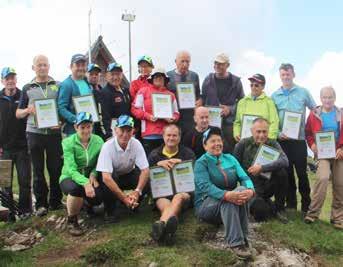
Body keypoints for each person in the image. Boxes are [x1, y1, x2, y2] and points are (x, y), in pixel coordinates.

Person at [194, 127, 255, 259]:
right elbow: (206, 187)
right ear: (205, 145)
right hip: (206, 206)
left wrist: (250, 190)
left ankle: (243, 238)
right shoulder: (201, 163)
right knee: (229, 199)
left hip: (229, 201)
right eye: (212, 141)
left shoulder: (230, 158)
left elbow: (245, 178)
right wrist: (226, 195)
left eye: (219, 140)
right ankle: (236, 243)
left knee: (241, 191)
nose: (217, 143)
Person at [16, 55, 63, 217]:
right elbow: (18, 113)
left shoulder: (58, 85)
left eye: (45, 65)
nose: (42, 68)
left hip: (54, 133)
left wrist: (61, 122)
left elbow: (62, 107)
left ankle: (56, 202)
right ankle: (41, 204)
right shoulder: (27, 87)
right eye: (39, 65)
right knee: (38, 170)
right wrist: (29, 110)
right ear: (33, 67)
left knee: (56, 168)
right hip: (34, 133)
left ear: (49, 66)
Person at [271, 63, 316, 214]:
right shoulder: (274, 96)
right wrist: (277, 133)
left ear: (293, 74)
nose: (285, 77)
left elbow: (315, 110)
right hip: (283, 141)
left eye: (288, 74)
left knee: (302, 174)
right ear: (280, 76)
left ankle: (306, 205)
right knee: (288, 173)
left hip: (299, 141)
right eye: (283, 75)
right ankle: (291, 204)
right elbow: (272, 119)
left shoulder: (303, 92)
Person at [233, 118, 289, 222]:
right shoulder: (242, 144)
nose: (262, 135)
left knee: (282, 172)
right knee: (261, 214)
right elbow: (234, 168)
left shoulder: (273, 143)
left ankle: (279, 208)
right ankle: (265, 204)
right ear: (252, 131)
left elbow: (285, 160)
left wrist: (262, 168)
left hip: (268, 186)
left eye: (264, 132)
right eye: (258, 131)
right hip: (251, 189)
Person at [96, 115, 150, 222]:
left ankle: (134, 203)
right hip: (112, 177)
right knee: (110, 178)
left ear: (133, 131)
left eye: (128, 130)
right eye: (122, 130)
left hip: (128, 173)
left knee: (146, 179)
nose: (125, 134)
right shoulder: (107, 146)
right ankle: (110, 211)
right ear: (115, 130)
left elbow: (145, 170)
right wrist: (123, 197)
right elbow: (106, 177)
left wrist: (137, 191)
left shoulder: (136, 143)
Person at [148, 124, 195, 245]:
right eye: (168, 135)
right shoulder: (154, 155)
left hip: (183, 193)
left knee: (178, 197)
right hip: (162, 194)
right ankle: (166, 229)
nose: (171, 138)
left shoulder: (188, 154)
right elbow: (147, 177)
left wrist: (181, 163)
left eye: (175, 135)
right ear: (163, 136)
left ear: (179, 138)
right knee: (165, 204)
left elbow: (195, 175)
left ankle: (160, 228)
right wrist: (158, 164)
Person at [304, 86, 343, 229]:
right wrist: (312, 144)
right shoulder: (314, 114)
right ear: (321, 99)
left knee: (340, 184)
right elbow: (307, 132)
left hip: (339, 153)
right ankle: (312, 214)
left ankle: (337, 219)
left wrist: (342, 148)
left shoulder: (341, 113)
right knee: (323, 178)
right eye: (325, 97)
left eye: (330, 97)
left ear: (335, 98)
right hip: (323, 154)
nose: (328, 100)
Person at [59, 112, 104, 236]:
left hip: (90, 176)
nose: (86, 130)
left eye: (88, 126)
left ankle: (87, 205)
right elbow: (71, 169)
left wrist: (94, 174)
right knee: (76, 189)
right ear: (75, 127)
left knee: (98, 198)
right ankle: (72, 220)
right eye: (82, 127)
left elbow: (100, 162)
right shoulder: (67, 142)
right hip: (69, 176)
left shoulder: (99, 140)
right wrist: (85, 183)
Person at [0, 67, 32, 221]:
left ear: (16, 79)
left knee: (24, 181)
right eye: (7, 78)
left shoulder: (23, 96)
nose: (10, 81)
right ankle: (9, 214)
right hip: (3, 149)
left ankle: (25, 211)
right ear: (2, 81)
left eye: (13, 77)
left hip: (23, 147)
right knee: (5, 183)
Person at [201, 53, 244, 152]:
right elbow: (203, 98)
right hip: (211, 123)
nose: (217, 66)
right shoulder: (208, 79)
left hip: (229, 124)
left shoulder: (236, 81)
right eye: (216, 63)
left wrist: (230, 109)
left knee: (229, 152)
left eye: (221, 63)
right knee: (210, 150)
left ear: (227, 65)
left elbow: (242, 102)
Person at [131, 68, 180, 155]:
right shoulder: (143, 91)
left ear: (165, 79)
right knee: (150, 163)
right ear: (152, 79)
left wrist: (173, 118)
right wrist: (148, 116)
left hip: (166, 136)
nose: (158, 79)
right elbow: (134, 109)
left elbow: (176, 113)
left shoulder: (171, 95)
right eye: (156, 77)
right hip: (148, 135)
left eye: (161, 77)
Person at [233, 74, 279, 140]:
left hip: (263, 142)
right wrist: (236, 133)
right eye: (251, 85)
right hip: (245, 142)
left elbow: (274, 123)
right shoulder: (242, 102)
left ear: (263, 87)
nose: (253, 87)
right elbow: (237, 122)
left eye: (256, 85)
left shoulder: (269, 102)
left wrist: (268, 140)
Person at [167, 51, 202, 135]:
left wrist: (200, 101)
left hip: (190, 116)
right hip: (174, 116)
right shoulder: (167, 76)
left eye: (187, 62)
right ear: (176, 61)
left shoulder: (194, 76)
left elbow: (198, 95)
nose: (185, 64)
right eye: (182, 61)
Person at [58, 54, 92, 135]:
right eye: (77, 65)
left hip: (89, 128)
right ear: (71, 66)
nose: (81, 68)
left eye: (83, 65)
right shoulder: (66, 84)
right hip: (74, 130)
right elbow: (61, 108)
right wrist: (77, 119)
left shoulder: (87, 82)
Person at [101, 62, 131, 139]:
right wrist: (108, 134)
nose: (115, 77)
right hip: (114, 132)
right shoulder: (105, 92)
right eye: (112, 74)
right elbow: (104, 116)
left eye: (118, 74)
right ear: (107, 76)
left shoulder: (126, 90)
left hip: (127, 130)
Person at [130, 55, 154, 140]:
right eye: (141, 66)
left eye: (147, 66)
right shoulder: (134, 83)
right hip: (140, 121)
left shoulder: (156, 82)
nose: (144, 68)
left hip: (156, 120)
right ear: (139, 68)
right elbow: (134, 102)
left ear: (152, 68)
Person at [87, 63, 105, 140]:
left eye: (96, 74)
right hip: (90, 126)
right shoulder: (86, 90)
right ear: (87, 74)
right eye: (91, 74)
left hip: (101, 126)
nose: (94, 76)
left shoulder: (102, 89)